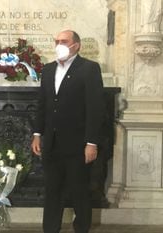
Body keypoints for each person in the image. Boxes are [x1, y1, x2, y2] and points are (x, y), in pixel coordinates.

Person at [31, 30, 105, 233]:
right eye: (56, 41)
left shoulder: (89, 68)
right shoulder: (47, 69)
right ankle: (50, 229)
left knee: (79, 192)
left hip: (78, 144)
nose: (59, 44)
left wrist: (92, 142)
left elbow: (95, 107)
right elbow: (42, 104)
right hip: (52, 143)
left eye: (64, 41)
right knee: (52, 191)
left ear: (76, 45)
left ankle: (81, 228)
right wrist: (37, 133)